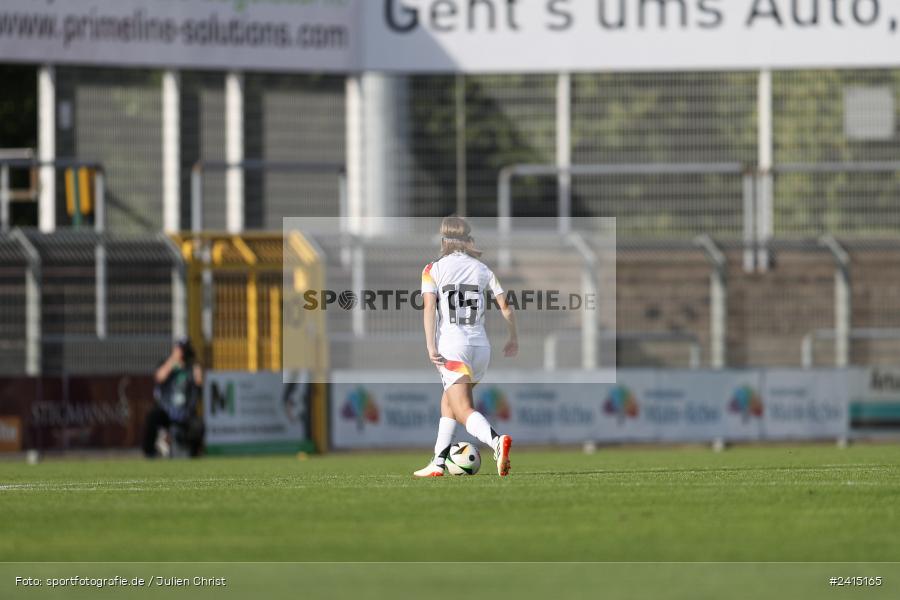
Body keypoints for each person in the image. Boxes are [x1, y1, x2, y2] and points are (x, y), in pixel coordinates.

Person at [414, 215, 518, 478]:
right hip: (480, 348)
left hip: (453, 347)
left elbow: (429, 309)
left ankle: (496, 442)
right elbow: (506, 307)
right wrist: (512, 337)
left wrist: (429, 345)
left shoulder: (432, 269)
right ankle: (438, 462)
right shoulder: (482, 269)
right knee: (449, 401)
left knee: (462, 409)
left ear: (443, 240)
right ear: (468, 240)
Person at [143, 337, 205, 458]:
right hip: (167, 412)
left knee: (198, 425)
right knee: (152, 417)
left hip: (185, 413)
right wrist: (173, 361)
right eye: (179, 349)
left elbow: (199, 386)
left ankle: (194, 454)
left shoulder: (192, 368)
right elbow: (159, 377)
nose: (181, 352)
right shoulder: (168, 364)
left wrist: (196, 369)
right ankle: (150, 453)